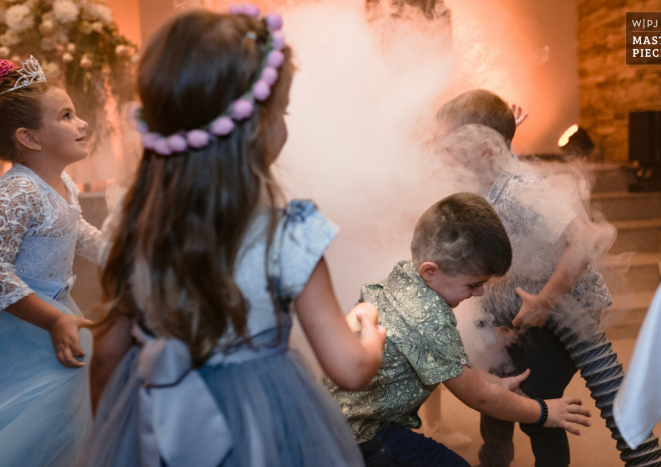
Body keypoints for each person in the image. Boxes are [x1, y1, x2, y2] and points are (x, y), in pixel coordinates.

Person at [79, 6, 386, 467]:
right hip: (267, 431)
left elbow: (105, 356)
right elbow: (350, 368)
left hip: (160, 429)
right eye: (282, 111)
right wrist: (371, 334)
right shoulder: (290, 232)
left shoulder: (129, 226)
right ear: (257, 128)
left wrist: (119, 440)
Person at [325, 192, 591, 467]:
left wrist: (496, 382)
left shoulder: (405, 274)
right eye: (473, 284)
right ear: (431, 271)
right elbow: (480, 398)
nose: (479, 293)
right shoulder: (428, 318)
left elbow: (456, 367)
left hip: (338, 420)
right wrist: (545, 411)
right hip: (365, 435)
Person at [436, 89, 614, 467]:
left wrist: (545, 301)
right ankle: (494, 460)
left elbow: (586, 239)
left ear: (486, 151)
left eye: (450, 147)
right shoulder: (483, 181)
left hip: (564, 310)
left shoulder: (522, 190)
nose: (440, 155)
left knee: (538, 399)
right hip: (520, 305)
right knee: (499, 383)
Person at [0, 56, 101, 467]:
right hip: (24, 322)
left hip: (58, 310)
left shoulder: (62, 184)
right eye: (66, 115)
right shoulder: (18, 191)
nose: (83, 124)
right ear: (30, 138)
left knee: (77, 406)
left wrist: (130, 253)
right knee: (45, 412)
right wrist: (52, 319)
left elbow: (80, 233)